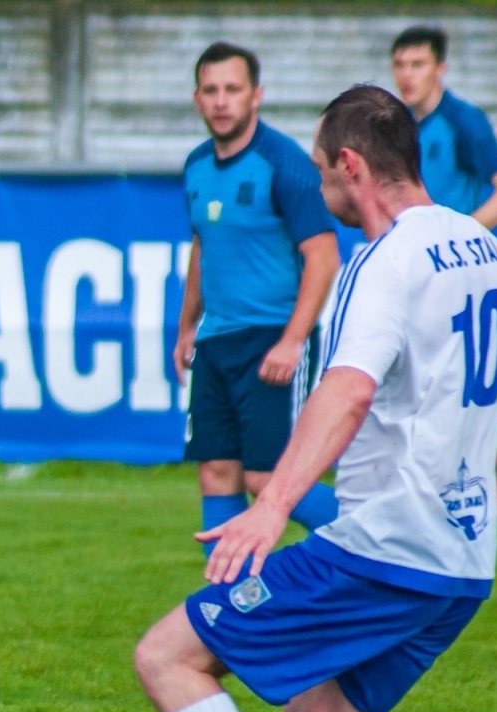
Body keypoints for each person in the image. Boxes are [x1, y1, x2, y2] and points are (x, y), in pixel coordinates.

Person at [134, 84, 497, 712]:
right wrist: (487, 516)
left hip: (385, 546)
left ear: (351, 165)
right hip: (459, 563)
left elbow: (345, 391)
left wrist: (272, 510)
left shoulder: (388, 260)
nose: (321, 188)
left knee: (167, 657)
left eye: (322, 172)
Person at [174, 42, 342, 557]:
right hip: (217, 341)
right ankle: (227, 608)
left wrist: (293, 341)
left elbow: (324, 256)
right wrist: (186, 329)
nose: (221, 101)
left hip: (272, 340)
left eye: (233, 89)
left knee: (266, 476)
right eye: (211, 90)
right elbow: (203, 248)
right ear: (197, 99)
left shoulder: (283, 162)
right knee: (217, 471)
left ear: (256, 96)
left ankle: (377, 544)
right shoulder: (196, 166)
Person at [391, 25, 497, 229]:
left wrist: (462, 235)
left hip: (450, 253)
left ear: (440, 69)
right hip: (413, 247)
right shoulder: (396, 122)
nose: (407, 74)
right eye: (399, 65)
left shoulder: (463, 121)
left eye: (418, 65)